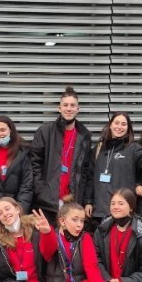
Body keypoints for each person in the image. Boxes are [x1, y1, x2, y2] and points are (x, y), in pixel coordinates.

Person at [30, 86, 94, 224]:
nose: (69, 108)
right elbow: (34, 163)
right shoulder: (45, 131)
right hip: (47, 202)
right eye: (65, 105)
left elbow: (87, 172)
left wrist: (87, 200)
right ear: (59, 108)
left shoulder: (85, 136)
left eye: (72, 105)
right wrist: (42, 191)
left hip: (72, 202)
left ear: (78, 109)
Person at [0, 115, 34, 216]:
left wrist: (19, 211)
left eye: (2, 130)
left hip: (16, 212)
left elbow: (26, 185)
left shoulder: (22, 152)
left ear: (11, 130)